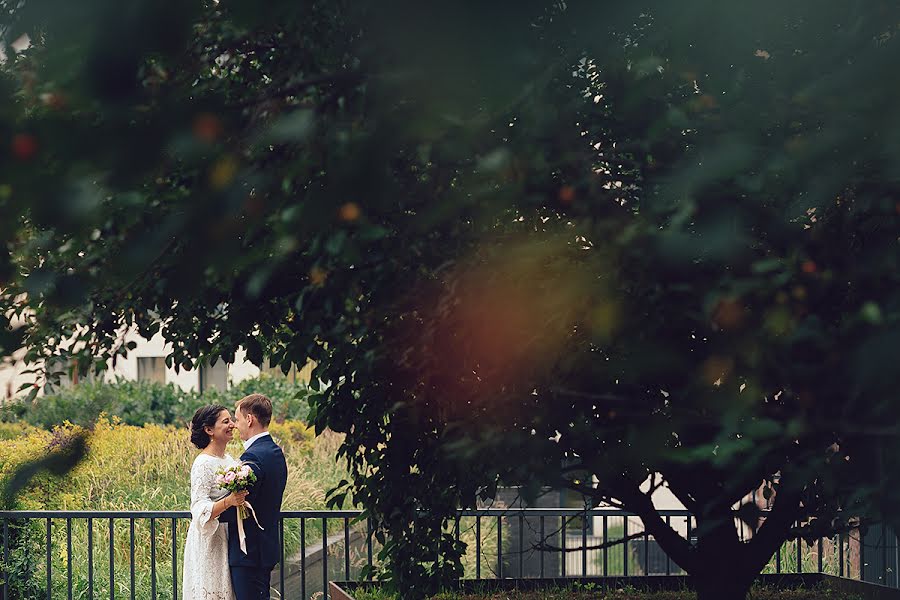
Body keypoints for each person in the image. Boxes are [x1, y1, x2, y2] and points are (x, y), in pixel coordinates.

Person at [220, 394, 288, 600]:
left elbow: (244, 502)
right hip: (265, 548)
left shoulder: (253, 457)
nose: (235, 425)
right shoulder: (275, 451)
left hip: (249, 551)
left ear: (249, 420)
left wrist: (214, 512)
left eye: (237, 419)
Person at [183, 404, 249, 600]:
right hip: (211, 539)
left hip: (231, 536)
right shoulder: (203, 463)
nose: (232, 425)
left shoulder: (229, 460)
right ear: (209, 430)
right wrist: (228, 502)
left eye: (232, 420)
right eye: (226, 421)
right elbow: (199, 508)